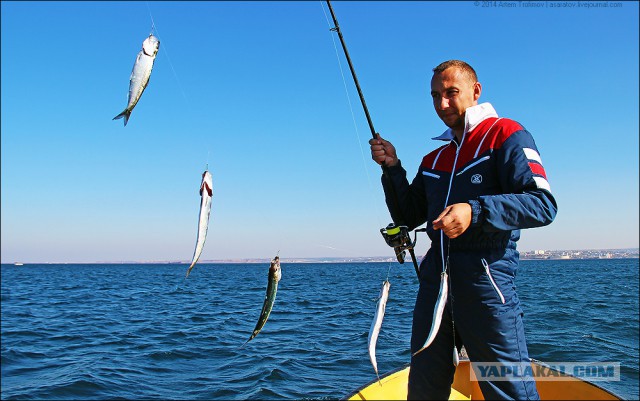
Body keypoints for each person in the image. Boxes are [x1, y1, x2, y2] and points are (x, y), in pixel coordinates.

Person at [369, 60, 557, 400]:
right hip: (433, 288)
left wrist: (475, 210)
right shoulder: (434, 159)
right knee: (424, 388)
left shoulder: (507, 135)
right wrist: (392, 168)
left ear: (475, 91)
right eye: (435, 96)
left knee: (508, 390)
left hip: (486, 288)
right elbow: (408, 215)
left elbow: (542, 204)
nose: (443, 104)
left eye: (451, 93)